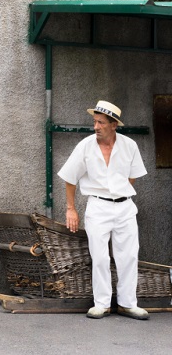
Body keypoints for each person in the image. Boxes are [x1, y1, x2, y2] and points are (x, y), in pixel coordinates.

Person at [59, 100, 148, 320]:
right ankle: (102, 304)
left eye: (100, 122)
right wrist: (71, 209)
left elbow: (132, 175)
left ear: (113, 124)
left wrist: (119, 193)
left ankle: (128, 304)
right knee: (99, 257)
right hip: (98, 206)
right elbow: (70, 178)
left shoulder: (130, 146)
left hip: (125, 206)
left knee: (128, 256)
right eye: (95, 122)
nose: (96, 127)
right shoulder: (85, 146)